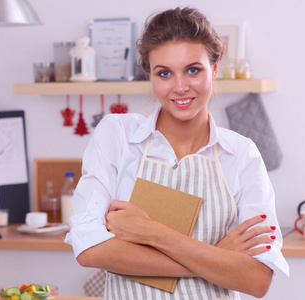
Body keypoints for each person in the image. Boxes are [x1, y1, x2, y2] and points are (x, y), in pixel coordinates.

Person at [65, 6, 289, 300]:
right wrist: (216, 258)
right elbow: (90, 249)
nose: (180, 87)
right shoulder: (118, 136)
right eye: (165, 73)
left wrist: (151, 232)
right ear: (150, 75)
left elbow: (257, 279)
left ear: (215, 67)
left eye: (193, 70)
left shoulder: (241, 154)